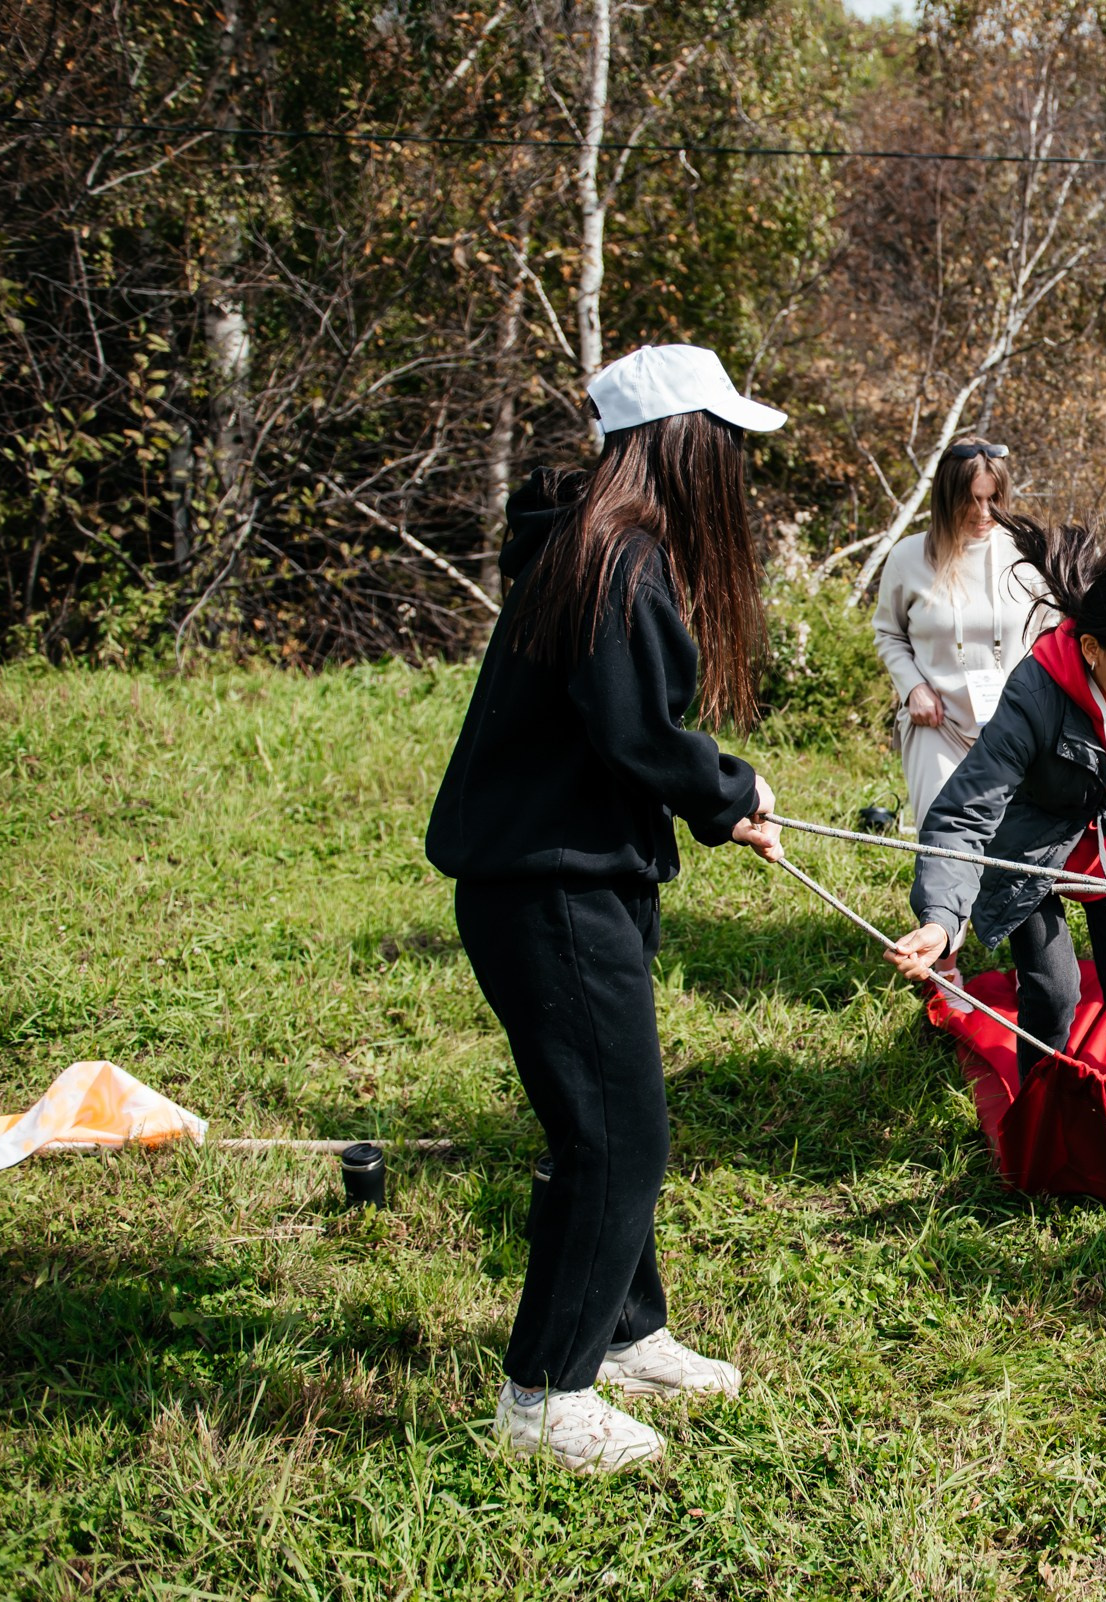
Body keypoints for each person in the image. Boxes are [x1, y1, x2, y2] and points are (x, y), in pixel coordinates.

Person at [425, 344, 786, 1474]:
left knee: (609, 1123)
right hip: (550, 887)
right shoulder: (612, 559)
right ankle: (544, 1395)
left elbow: (620, 734)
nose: (737, 466)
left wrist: (720, 796)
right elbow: (640, 736)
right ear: (685, 442)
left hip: (578, 872)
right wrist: (731, 792)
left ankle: (626, 1334)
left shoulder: (598, 544)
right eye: (727, 442)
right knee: (616, 1136)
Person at [883, 511, 1106, 1092]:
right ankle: (1039, 1114)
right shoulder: (1035, 693)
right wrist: (941, 917)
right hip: (1035, 852)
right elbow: (966, 809)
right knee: (1054, 993)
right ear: (1092, 648)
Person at [872, 438, 1043, 990]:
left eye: (993, 499)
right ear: (946, 498)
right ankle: (944, 961)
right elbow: (888, 633)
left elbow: (1053, 635)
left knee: (1014, 841)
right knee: (941, 836)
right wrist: (912, 687)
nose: (982, 512)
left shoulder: (1026, 553)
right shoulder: (909, 557)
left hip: (1014, 730)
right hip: (938, 722)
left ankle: (1034, 959)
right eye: (970, 499)